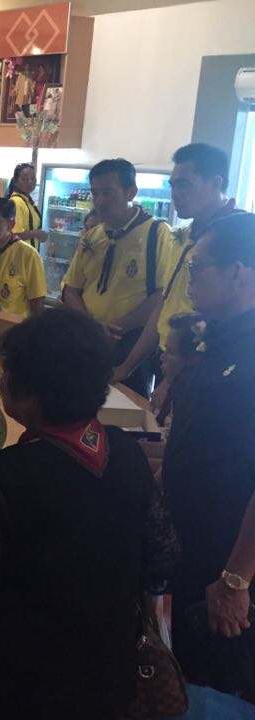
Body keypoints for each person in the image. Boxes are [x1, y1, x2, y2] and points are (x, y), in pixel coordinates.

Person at [0, 307, 179, 720]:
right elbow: (163, 559)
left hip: (19, 688)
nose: (1, 380)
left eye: (6, 371)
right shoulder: (125, 452)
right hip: (111, 677)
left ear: (33, 391)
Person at [163, 212, 255, 700]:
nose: (190, 279)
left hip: (228, 561)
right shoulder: (216, 338)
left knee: (221, 688)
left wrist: (236, 579)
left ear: (237, 272)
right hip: (193, 547)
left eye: (198, 268)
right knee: (187, 677)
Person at [115, 143, 244, 403]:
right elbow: (164, 305)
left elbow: (223, 317)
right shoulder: (184, 236)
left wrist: (175, 379)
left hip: (205, 368)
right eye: (172, 185)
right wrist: (126, 367)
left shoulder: (237, 236)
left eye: (184, 184)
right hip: (168, 358)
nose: (175, 194)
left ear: (216, 183)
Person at [61, 158, 175, 397]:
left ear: (131, 192)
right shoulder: (92, 237)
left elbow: (162, 295)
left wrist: (118, 328)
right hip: (89, 340)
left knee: (126, 408)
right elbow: (71, 289)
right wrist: (93, 326)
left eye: (108, 193)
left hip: (131, 346)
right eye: (95, 193)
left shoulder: (157, 234)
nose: (100, 202)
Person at [154, 313, 202, 433]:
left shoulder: (194, 407)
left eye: (170, 352)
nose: (162, 357)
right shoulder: (175, 391)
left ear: (192, 360)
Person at [6, 162, 48, 250]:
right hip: (20, 255)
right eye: (24, 179)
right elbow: (12, 235)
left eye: (33, 178)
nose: (30, 182)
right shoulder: (17, 202)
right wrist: (36, 234)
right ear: (15, 182)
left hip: (28, 255)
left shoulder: (27, 201)